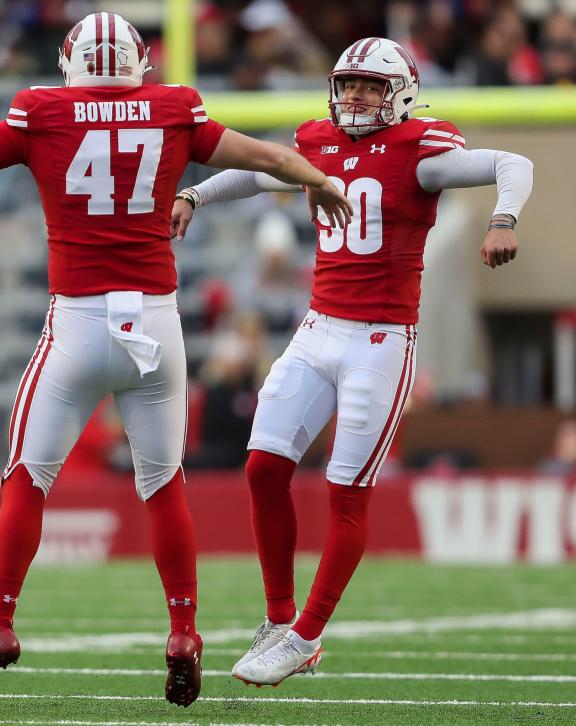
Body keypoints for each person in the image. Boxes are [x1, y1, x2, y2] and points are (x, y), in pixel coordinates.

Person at [0, 12, 350, 707]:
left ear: (73, 62)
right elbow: (265, 156)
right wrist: (320, 179)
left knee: (27, 476)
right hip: (155, 322)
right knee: (163, 482)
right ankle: (183, 631)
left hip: (79, 321)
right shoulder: (175, 106)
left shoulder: (43, 109)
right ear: (138, 63)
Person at [172, 37, 534, 687]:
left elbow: (514, 160)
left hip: (381, 339)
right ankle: (282, 622)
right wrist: (196, 196)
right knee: (262, 468)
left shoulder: (420, 149)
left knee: (346, 492)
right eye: (348, 84)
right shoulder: (316, 139)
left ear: (400, 92)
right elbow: (258, 173)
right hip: (317, 329)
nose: (355, 96)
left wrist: (503, 218)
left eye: (370, 85)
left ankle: (308, 634)